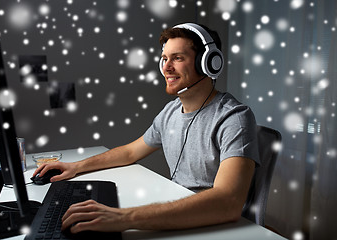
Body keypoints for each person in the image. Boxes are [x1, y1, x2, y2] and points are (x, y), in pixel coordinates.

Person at [33, 22, 260, 233]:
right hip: (178, 215)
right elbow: (131, 151)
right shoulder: (171, 111)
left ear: (209, 62)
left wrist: (123, 218)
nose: (167, 68)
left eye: (177, 58)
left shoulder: (234, 118)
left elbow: (227, 202)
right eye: (164, 59)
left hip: (210, 226)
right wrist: (76, 167)